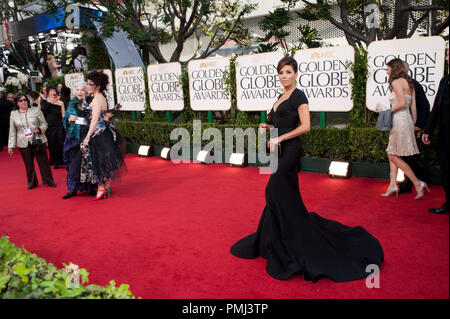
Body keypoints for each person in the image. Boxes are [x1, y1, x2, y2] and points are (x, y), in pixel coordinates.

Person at [230, 57, 384, 282]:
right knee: (286, 193)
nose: (284, 76)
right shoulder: (280, 96)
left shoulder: (299, 96)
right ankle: (277, 237)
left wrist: (280, 136)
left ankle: (290, 237)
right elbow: (283, 124)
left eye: (288, 72)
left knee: (273, 190)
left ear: (296, 74)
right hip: (278, 150)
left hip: (290, 150)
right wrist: (269, 127)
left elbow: (305, 126)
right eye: (281, 72)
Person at [381, 58, 429, 199]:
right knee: (393, 151)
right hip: (407, 120)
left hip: (398, 120)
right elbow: (413, 108)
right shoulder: (409, 83)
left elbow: (401, 103)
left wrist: (386, 112)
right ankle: (392, 185)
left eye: (388, 68)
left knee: (392, 154)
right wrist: (413, 124)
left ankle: (417, 182)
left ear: (393, 69)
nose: (387, 71)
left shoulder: (396, 82)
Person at [81, 70, 126, 200]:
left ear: (98, 86)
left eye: (90, 84)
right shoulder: (101, 97)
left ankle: (102, 189)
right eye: (87, 84)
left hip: (98, 134)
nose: (88, 86)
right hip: (104, 132)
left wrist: (87, 137)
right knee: (104, 160)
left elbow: (94, 120)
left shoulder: (96, 100)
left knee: (97, 160)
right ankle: (106, 187)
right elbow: (105, 116)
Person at [7, 93, 55, 189]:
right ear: (16, 103)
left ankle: (48, 181)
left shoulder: (36, 110)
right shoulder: (13, 114)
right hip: (23, 141)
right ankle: (32, 182)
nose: (23, 102)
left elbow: (44, 124)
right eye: (20, 100)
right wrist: (10, 145)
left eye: (25, 100)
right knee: (28, 164)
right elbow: (12, 130)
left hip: (38, 138)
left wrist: (39, 129)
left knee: (43, 162)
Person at [422, 50, 449, 214]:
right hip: (445, 136)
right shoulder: (444, 80)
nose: (446, 58)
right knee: (446, 171)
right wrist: (428, 130)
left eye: (449, 54)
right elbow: (436, 108)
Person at [398, 61, 431, 194]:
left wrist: (418, 126)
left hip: (410, 127)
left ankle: (415, 182)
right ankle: (413, 182)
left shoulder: (413, 85)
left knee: (409, 156)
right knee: (404, 156)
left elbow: (425, 106)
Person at [62, 83, 95, 199]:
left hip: (87, 137)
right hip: (73, 138)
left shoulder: (91, 102)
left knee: (87, 163)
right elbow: (66, 117)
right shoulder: (72, 102)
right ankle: (72, 189)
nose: (79, 92)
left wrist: (86, 119)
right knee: (73, 164)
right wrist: (69, 119)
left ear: (86, 91)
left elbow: (95, 118)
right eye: (77, 90)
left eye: (82, 90)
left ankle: (91, 187)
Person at [41, 87, 66, 169]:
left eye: (54, 90)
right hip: (49, 125)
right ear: (48, 93)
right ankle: (54, 161)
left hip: (59, 125)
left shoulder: (61, 102)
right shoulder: (45, 102)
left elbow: (63, 115)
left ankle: (62, 160)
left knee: (60, 142)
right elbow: (42, 113)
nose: (52, 92)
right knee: (52, 143)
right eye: (51, 91)